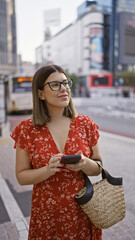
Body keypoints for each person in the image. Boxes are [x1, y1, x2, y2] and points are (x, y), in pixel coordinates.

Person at [10, 64, 103, 240]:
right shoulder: (26, 129)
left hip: (82, 210)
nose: (64, 89)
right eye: (55, 85)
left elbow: (98, 168)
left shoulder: (85, 124)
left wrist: (85, 163)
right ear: (40, 94)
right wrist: (48, 170)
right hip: (46, 214)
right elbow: (21, 177)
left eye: (66, 83)